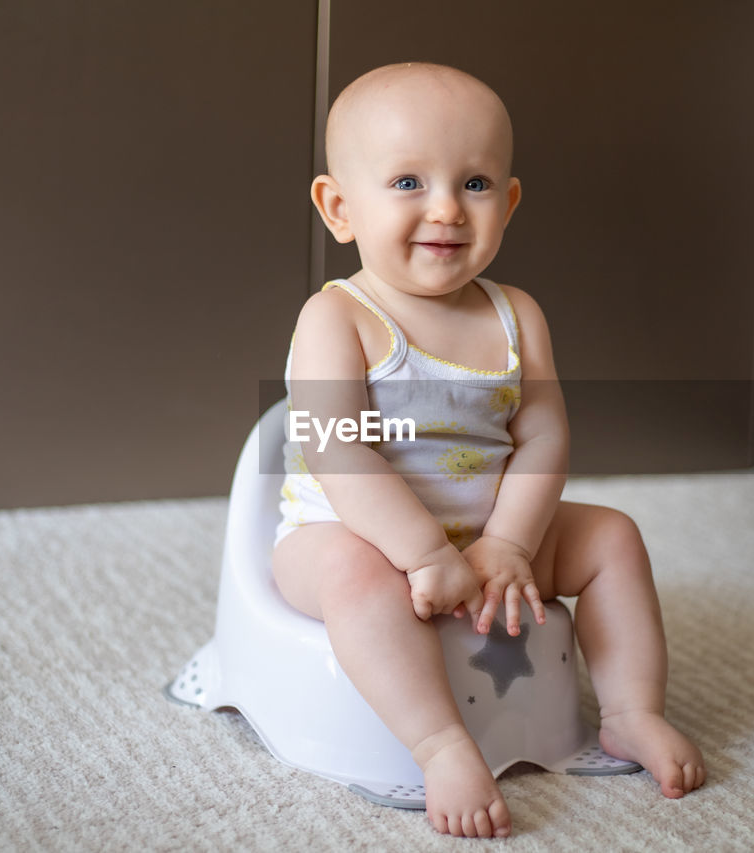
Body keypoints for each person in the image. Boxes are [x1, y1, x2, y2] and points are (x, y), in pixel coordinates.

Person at [271, 62, 704, 839]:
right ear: (339, 208)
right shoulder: (339, 318)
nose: (445, 208)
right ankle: (439, 743)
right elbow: (340, 453)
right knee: (355, 578)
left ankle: (631, 711)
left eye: (474, 183)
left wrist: (509, 540)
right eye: (407, 182)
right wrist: (421, 550)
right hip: (356, 532)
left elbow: (542, 435)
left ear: (507, 202)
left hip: (489, 537)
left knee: (612, 536)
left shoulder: (518, 315)